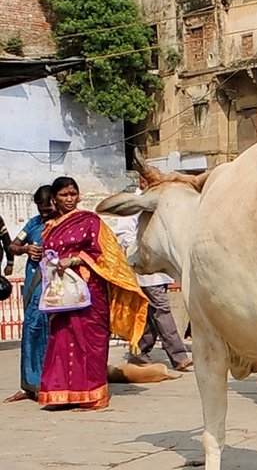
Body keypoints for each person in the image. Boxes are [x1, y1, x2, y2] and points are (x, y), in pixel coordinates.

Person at [38, 176, 148, 410]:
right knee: (61, 339)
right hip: (60, 291)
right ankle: (62, 393)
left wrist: (75, 259)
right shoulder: (50, 228)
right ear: (55, 199)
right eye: (64, 195)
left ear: (79, 196)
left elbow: (108, 255)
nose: (69, 199)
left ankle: (92, 394)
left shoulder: (90, 221)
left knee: (90, 341)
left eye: (73, 194)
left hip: (89, 290)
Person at [113, 176, 192, 372]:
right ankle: (179, 355)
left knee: (151, 313)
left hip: (162, 269)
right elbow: (125, 236)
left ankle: (139, 352)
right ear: (142, 182)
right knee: (162, 309)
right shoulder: (135, 204)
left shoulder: (163, 201)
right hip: (145, 269)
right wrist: (141, 251)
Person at [4, 186, 56, 403]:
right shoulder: (33, 224)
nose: (45, 214)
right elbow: (12, 246)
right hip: (34, 286)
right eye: (41, 210)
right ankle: (30, 385)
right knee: (32, 331)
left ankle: (54, 385)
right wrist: (26, 250)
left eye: (48, 210)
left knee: (55, 335)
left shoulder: (66, 223)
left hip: (57, 288)